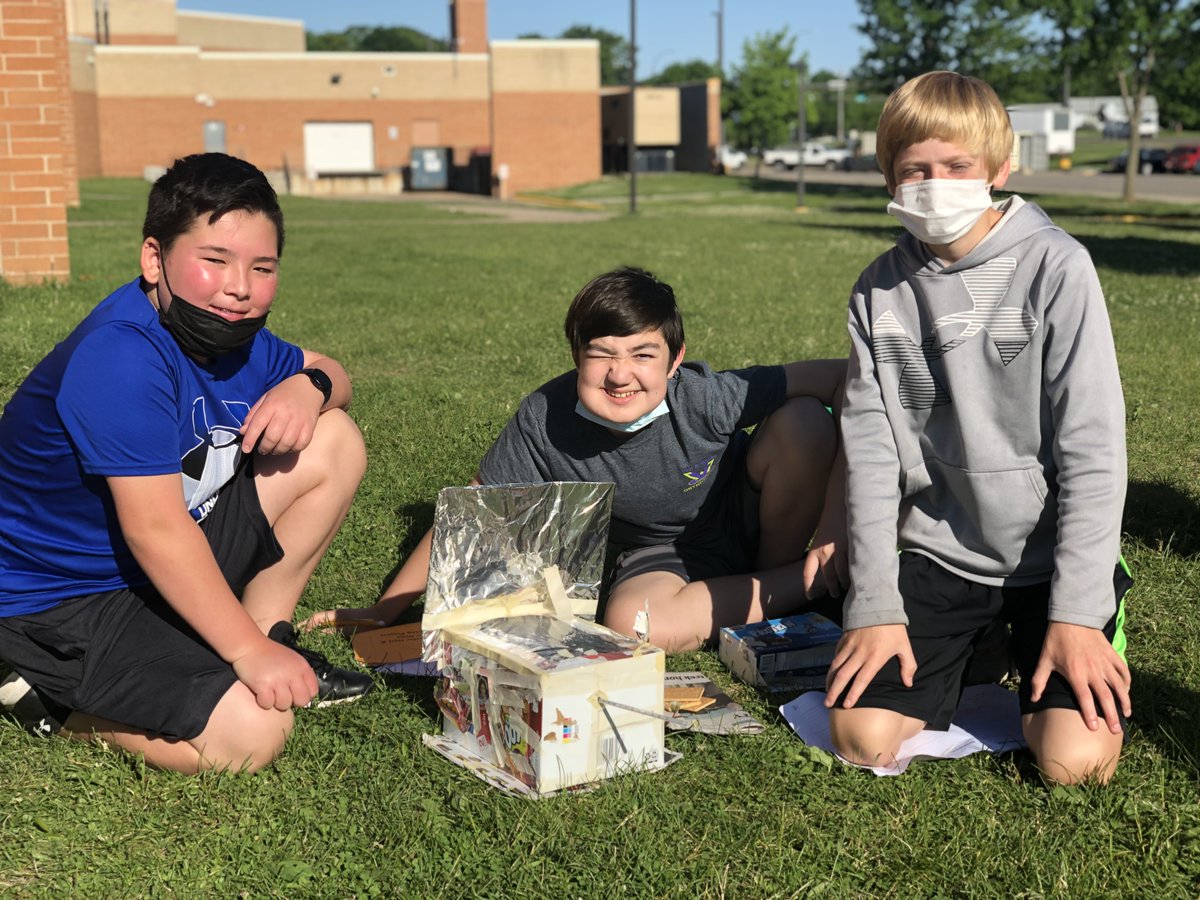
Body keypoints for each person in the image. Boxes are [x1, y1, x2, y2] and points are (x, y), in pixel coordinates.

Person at [0, 153, 373, 774]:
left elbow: (334, 372)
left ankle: (268, 633)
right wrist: (243, 656)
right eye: (214, 260)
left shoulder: (230, 332)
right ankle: (37, 696)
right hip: (57, 597)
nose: (239, 287)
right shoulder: (121, 354)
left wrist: (306, 386)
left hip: (151, 558)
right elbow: (155, 530)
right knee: (252, 736)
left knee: (333, 440)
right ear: (154, 259)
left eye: (262, 267)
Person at [824, 71, 1130, 785]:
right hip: (941, 552)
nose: (936, 184)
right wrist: (872, 604)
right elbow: (871, 457)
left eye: (957, 166)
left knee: (1072, 763)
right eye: (915, 170)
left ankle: (1066, 627)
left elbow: (1093, 449)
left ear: (999, 164)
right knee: (861, 738)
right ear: (889, 178)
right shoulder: (878, 289)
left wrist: (1079, 613)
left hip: (1052, 561)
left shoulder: (1058, 265)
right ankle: (979, 645)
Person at [305, 266, 847, 652]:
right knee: (633, 625)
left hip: (756, 516)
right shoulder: (546, 416)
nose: (620, 373)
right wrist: (385, 609)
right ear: (576, 355)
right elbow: (475, 511)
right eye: (602, 353)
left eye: (643, 354)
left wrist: (839, 516)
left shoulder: (704, 396)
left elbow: (845, 377)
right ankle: (812, 586)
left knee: (803, 422)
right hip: (663, 555)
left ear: (675, 360)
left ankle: (778, 576)